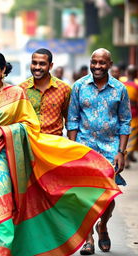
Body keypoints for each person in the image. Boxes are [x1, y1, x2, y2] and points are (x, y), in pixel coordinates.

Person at [0, 51, 121, 256]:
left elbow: (58, 122)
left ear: (3, 70)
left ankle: (3, 250)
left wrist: (3, 131)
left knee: (7, 203)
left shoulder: (23, 93)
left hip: (22, 153)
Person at [67, 48, 131, 255]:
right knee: (86, 195)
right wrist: (72, 149)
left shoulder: (119, 89)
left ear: (110, 64)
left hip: (111, 149)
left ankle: (102, 226)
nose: (97, 66)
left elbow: (125, 121)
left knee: (108, 196)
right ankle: (88, 238)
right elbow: (73, 120)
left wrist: (121, 151)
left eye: (102, 63)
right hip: (84, 147)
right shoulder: (78, 87)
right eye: (94, 62)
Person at [19, 48, 71, 136]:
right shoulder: (21, 89)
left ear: (50, 66)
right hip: (29, 144)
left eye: (42, 64)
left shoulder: (64, 89)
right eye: (34, 63)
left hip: (54, 144)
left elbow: (70, 121)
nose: (37, 67)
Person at [122, 65, 138, 168]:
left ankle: (129, 156)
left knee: (126, 137)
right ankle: (127, 159)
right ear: (136, 74)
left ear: (127, 72)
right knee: (131, 138)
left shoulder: (121, 84)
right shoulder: (136, 86)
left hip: (123, 114)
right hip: (134, 114)